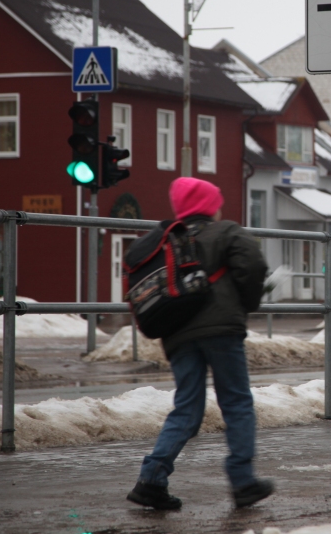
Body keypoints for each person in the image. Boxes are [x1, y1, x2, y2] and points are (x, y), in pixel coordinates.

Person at [127, 177, 273, 510]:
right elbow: (253, 265)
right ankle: (243, 481)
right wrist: (246, 304)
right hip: (221, 329)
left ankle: (151, 479)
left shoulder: (167, 241)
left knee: (187, 408)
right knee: (235, 402)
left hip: (177, 333)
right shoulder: (226, 231)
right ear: (209, 206)